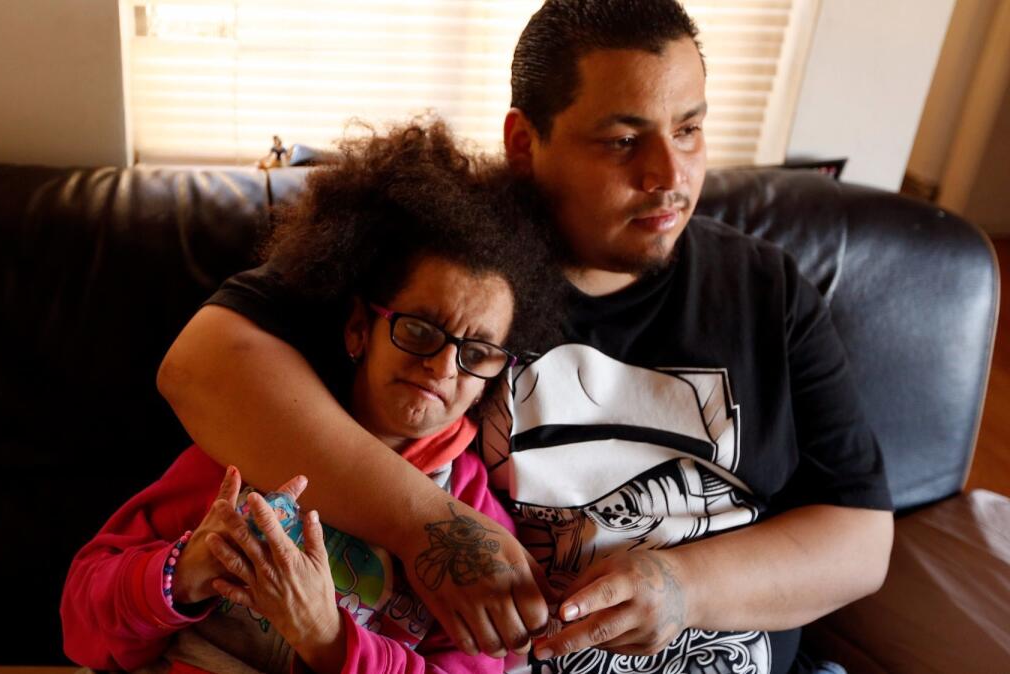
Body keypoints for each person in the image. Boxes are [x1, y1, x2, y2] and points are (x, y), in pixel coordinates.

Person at [156, 1, 895, 672]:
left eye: (690, 129)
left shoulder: (768, 289)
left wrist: (681, 588)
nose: (670, 175)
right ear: (522, 141)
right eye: (621, 141)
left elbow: (862, 540)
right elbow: (203, 366)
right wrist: (431, 526)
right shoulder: (447, 265)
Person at [61, 122, 567, 673]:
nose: (443, 366)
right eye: (420, 330)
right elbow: (83, 624)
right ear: (358, 329)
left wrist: (326, 636)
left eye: (477, 353)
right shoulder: (252, 443)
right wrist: (184, 572)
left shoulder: (476, 525)